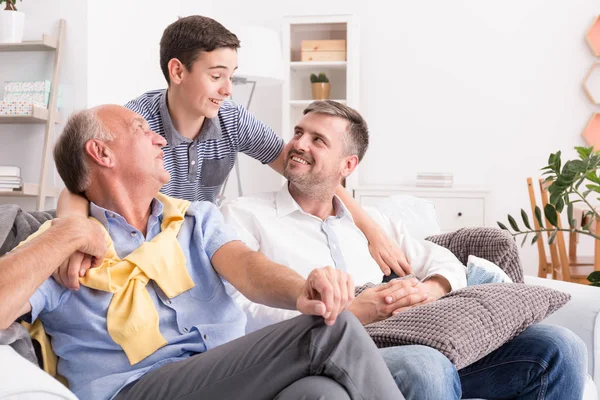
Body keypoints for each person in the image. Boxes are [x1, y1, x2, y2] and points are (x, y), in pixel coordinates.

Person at [0, 105, 404, 400]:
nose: (160, 137)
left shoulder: (195, 220)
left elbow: (247, 267)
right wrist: (67, 232)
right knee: (332, 330)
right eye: (142, 129)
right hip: (136, 388)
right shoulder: (58, 248)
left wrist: (302, 290)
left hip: (226, 376)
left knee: (320, 394)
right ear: (102, 154)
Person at [220, 100, 588, 400]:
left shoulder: (373, 225)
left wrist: (430, 289)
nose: (299, 144)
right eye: (299, 133)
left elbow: (441, 260)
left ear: (347, 166)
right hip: (332, 347)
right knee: (426, 365)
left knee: (559, 346)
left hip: (403, 335)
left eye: (318, 140)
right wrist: (349, 313)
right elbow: (239, 310)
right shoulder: (245, 214)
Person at [55, 15, 411, 289]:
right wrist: (71, 231)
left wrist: (370, 229)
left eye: (232, 76)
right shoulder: (138, 124)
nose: (227, 90)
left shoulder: (232, 120)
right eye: (217, 76)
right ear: (177, 71)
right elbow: (78, 183)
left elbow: (305, 168)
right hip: (144, 248)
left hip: (202, 244)